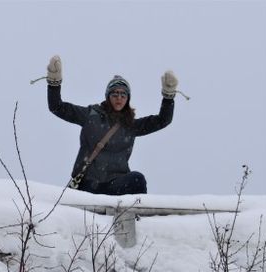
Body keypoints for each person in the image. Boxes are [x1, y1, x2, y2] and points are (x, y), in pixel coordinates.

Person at [46, 55, 178, 195]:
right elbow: (57, 107)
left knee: (137, 179)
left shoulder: (130, 126)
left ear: (127, 99)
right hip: (88, 184)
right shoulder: (90, 115)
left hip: (115, 185)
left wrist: (168, 97)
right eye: (115, 94)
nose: (119, 98)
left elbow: (163, 120)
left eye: (123, 95)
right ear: (108, 96)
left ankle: (134, 215)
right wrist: (54, 82)